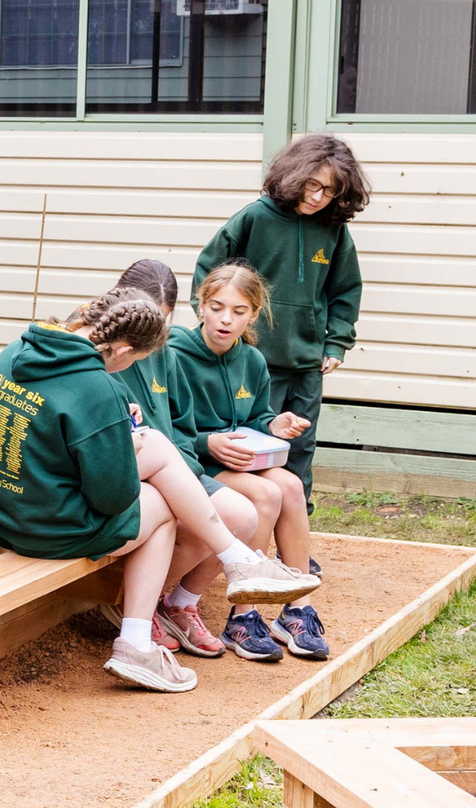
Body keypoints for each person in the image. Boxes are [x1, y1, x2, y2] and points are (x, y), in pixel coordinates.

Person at [0, 287, 321, 693]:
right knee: (163, 504)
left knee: (152, 450)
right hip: (46, 528)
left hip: (3, 509)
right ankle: (145, 634)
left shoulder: (13, 355)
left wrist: (114, 435)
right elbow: (111, 499)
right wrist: (118, 446)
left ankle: (232, 561)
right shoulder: (97, 388)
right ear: (123, 350)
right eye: (136, 360)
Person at [194, 134, 369, 512]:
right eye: (313, 184)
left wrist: (336, 342)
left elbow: (346, 288)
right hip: (255, 360)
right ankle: (252, 528)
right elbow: (210, 269)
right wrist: (219, 330)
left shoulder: (334, 230)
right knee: (256, 445)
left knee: (300, 447)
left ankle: (295, 535)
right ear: (294, 175)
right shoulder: (256, 217)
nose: (319, 197)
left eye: (331, 191)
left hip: (307, 361)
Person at [100, 260, 262, 660]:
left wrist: (184, 473)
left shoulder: (165, 353)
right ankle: (138, 606)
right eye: (146, 320)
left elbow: (183, 429)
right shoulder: (105, 356)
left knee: (243, 516)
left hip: (175, 471)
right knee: (172, 516)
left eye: (162, 321)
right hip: (136, 475)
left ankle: (176, 602)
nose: (152, 334)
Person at [170, 264, 330, 661]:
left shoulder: (253, 360)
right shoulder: (175, 357)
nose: (226, 319)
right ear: (201, 306)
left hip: (241, 457)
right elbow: (168, 430)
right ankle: (244, 615)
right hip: (196, 461)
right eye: (217, 307)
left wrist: (275, 423)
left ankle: (297, 608)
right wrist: (209, 442)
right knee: (265, 495)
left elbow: (256, 417)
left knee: (291, 485)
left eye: (239, 311)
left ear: (254, 314)